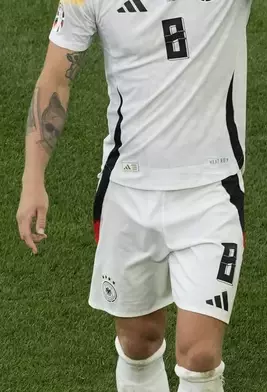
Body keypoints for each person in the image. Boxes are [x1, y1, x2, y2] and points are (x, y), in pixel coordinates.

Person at [16, 0, 252, 390]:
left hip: (211, 191)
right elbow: (56, 78)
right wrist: (33, 177)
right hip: (127, 194)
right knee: (138, 342)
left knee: (200, 356)